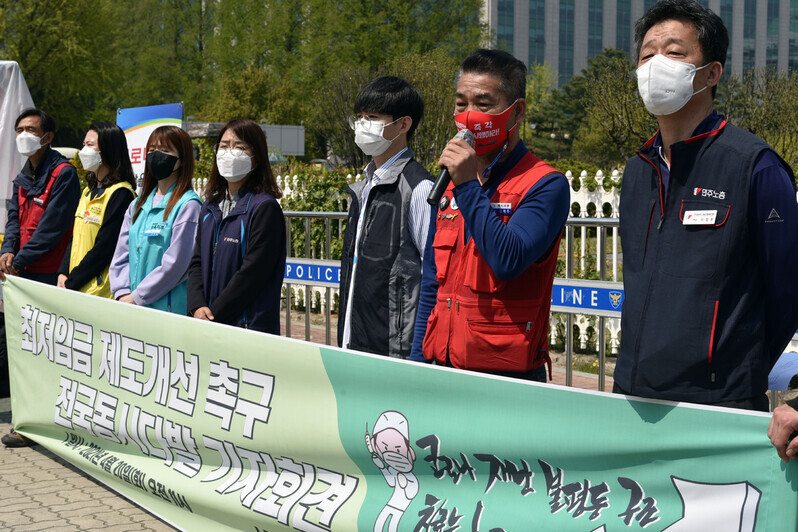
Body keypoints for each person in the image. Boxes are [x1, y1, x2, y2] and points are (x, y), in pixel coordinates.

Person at [613, 0, 798, 411]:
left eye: (674, 52)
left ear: (711, 73)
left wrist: (733, 368)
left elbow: (788, 291)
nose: (656, 64)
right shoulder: (637, 170)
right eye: (647, 55)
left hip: (715, 406)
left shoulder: (754, 166)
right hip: (630, 396)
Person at [409, 49, 570, 381]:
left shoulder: (545, 184)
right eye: (460, 104)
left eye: (483, 105)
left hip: (506, 380)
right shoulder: (449, 186)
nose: (469, 116)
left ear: (517, 112)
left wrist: (468, 185)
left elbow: (508, 259)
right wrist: (417, 366)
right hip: (442, 368)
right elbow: (431, 285)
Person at [338, 76, 434, 358]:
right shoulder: (365, 185)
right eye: (360, 117)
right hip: (355, 341)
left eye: (373, 117)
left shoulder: (419, 188)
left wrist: (418, 352)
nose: (362, 125)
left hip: (394, 352)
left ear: (403, 124)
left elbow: (433, 274)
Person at [1, 108, 81, 448]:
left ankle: (42, 422)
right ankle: (28, 418)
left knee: (45, 351)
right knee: (22, 350)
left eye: (30, 129)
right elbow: (14, 217)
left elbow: (53, 228)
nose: (23, 135)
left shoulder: (62, 174)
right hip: (21, 276)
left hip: (47, 275)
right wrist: (7, 249)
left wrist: (19, 260)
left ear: (47, 137)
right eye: (19, 129)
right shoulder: (24, 173)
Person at [187, 118, 286, 333]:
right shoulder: (210, 206)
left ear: (256, 156)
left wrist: (213, 314)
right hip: (208, 322)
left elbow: (252, 275)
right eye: (223, 146)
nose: (229, 152)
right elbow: (196, 261)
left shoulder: (264, 208)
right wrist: (197, 305)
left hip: (246, 327)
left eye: (239, 146)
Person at [109, 126, 201, 314]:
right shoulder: (137, 205)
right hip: (130, 305)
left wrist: (137, 297)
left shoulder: (188, 205)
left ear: (182, 160)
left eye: (165, 151)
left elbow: (175, 265)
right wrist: (122, 291)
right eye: (151, 150)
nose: (156, 155)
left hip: (165, 311)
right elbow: (121, 254)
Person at [58, 121, 136, 296]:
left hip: (97, 291)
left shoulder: (121, 193)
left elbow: (104, 248)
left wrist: (72, 281)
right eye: (83, 144)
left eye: (90, 145)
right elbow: (74, 237)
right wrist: (63, 271)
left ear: (108, 150)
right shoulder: (87, 191)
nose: (84, 150)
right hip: (75, 285)